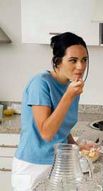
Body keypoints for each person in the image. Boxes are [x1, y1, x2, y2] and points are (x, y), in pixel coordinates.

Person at [11, 32, 93, 190]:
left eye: (84, 60)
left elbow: (61, 126)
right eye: (73, 60)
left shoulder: (70, 86)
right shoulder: (40, 84)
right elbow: (47, 133)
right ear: (58, 61)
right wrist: (68, 96)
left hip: (58, 165)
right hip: (33, 167)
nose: (81, 66)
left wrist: (75, 145)